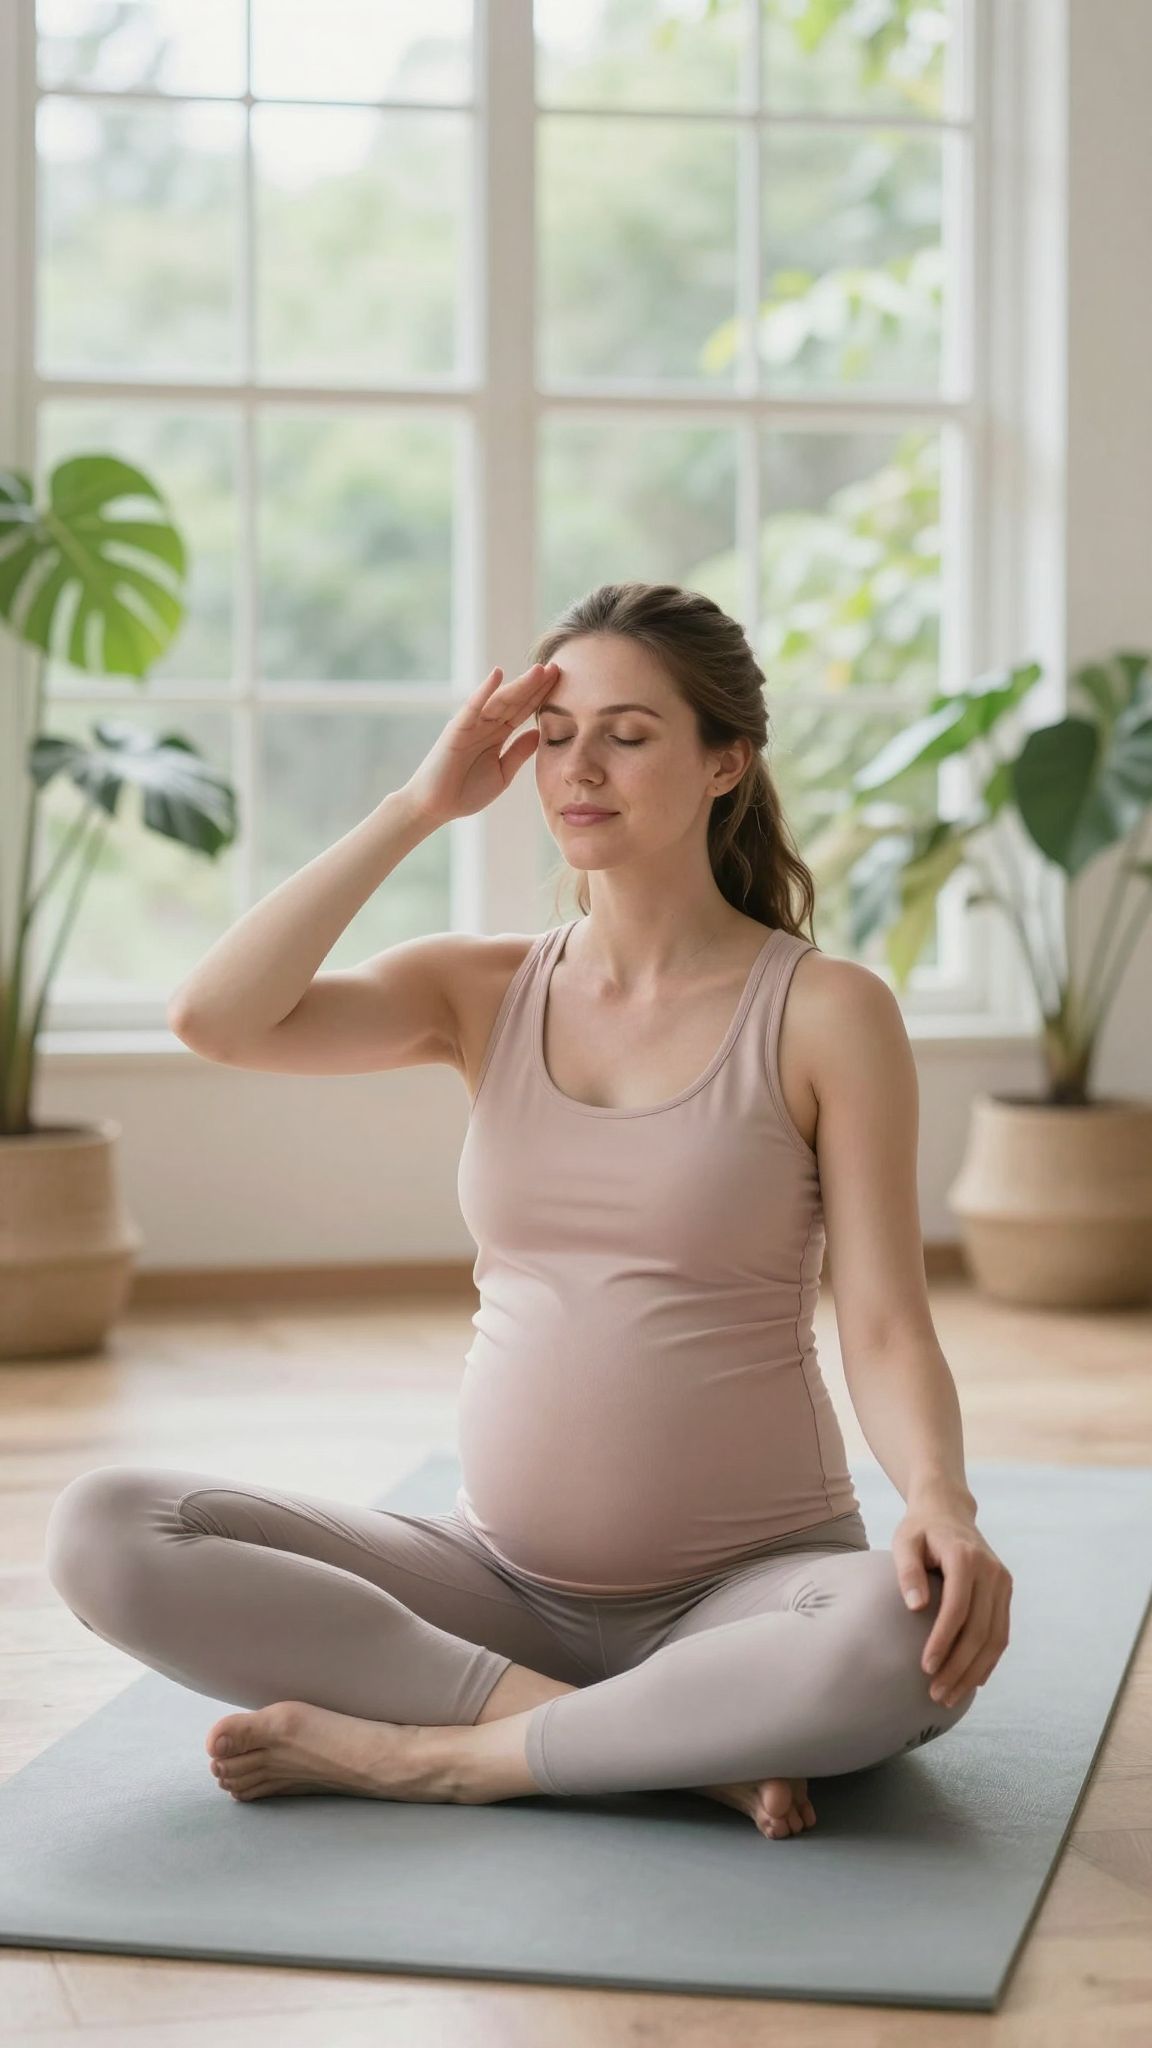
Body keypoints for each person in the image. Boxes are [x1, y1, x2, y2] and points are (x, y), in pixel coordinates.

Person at [44, 582, 1012, 1842]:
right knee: (109, 1529)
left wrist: (941, 1496)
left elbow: (882, 1318)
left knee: (896, 1638)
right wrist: (417, 806)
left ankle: (438, 1758)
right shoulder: (481, 987)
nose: (579, 768)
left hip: (750, 1590)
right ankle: (641, 1740)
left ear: (727, 759)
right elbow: (215, 1018)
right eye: (554, 736)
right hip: (488, 1583)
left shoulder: (828, 1009)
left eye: (629, 731)